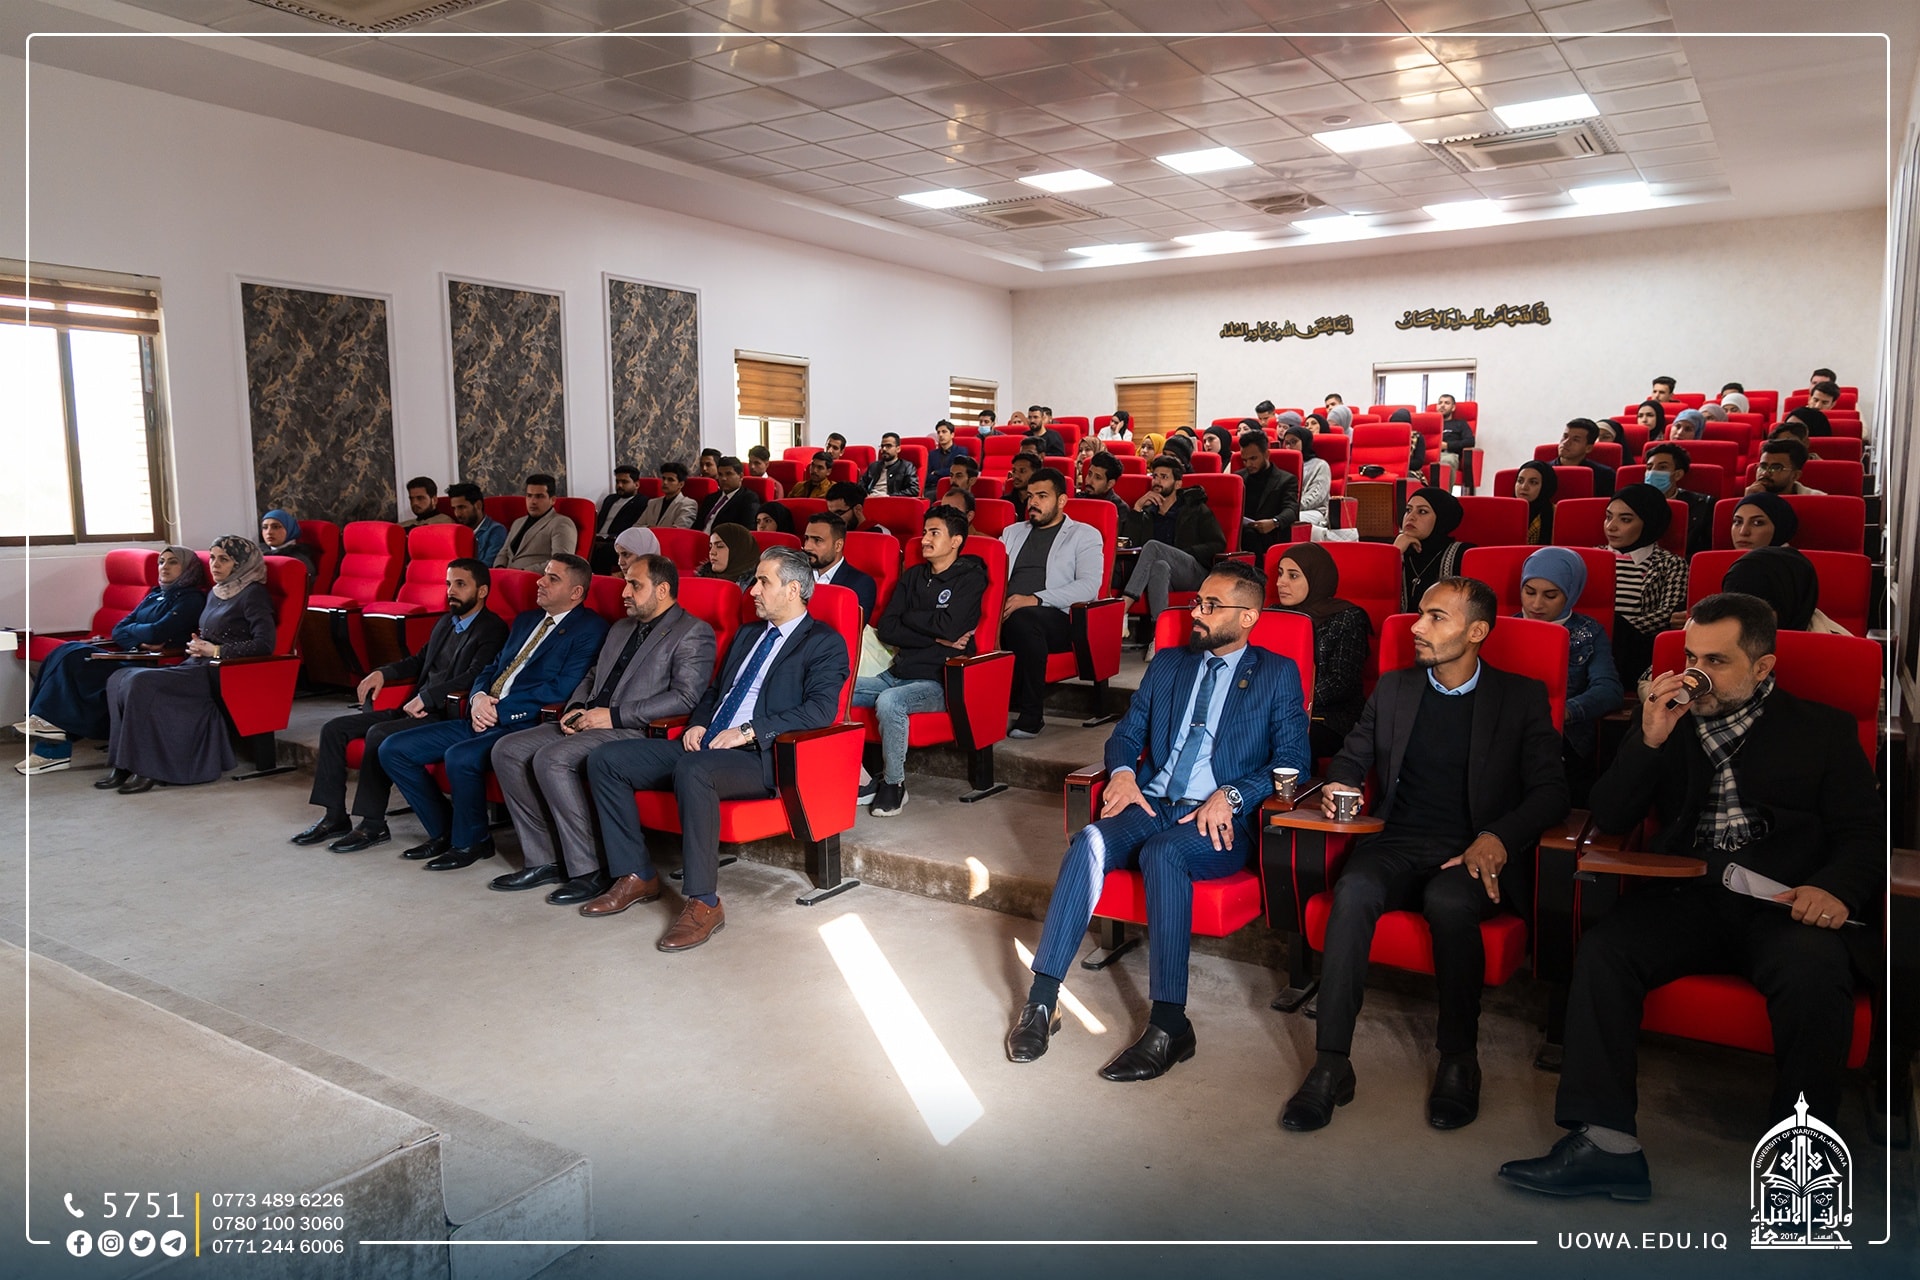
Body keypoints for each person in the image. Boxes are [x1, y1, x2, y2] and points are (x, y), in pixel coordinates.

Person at [1500, 593, 1877, 1201]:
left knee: (1815, 975)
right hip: (1690, 893)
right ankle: (1607, 1146)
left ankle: (1801, 1169)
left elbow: (1863, 832)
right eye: (1692, 657)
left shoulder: (1823, 729)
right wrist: (1648, 741)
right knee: (1606, 952)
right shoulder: (1668, 718)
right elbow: (1611, 814)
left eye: (1717, 661)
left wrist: (1835, 889)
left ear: (1762, 666)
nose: (1697, 673)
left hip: (1785, 905)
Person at [1283, 578, 1569, 1133]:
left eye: (1437, 617)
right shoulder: (1395, 688)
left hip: (1470, 849)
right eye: (1420, 614)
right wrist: (1342, 784)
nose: (1416, 627)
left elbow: (1552, 792)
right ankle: (1331, 1063)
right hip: (1395, 840)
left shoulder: (1520, 696)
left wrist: (1499, 837)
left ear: (1477, 631)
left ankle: (1459, 1059)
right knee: (1354, 890)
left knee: (1449, 902)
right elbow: (1351, 756)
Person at [1006, 561, 1309, 1080]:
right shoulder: (1170, 663)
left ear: (1248, 617)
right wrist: (1124, 774)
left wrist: (1233, 795)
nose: (1196, 613)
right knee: (1089, 841)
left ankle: (1170, 1026)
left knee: (1164, 853)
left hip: (1215, 822)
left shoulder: (1276, 673)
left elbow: (1294, 761)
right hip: (1151, 803)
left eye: (1210, 606)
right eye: (1197, 603)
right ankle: (1042, 1001)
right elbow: (1127, 734)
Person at [580, 547, 849, 949]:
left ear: (793, 590)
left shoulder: (824, 642)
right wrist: (699, 722)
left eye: (763, 582)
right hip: (709, 743)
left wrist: (749, 731)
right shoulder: (749, 634)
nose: (753, 590)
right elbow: (715, 691)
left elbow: (820, 711)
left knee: (695, 771)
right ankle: (636, 874)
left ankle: (704, 902)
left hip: (761, 755)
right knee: (605, 760)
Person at [487, 553, 715, 903]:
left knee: (552, 758)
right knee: (507, 750)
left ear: (662, 590)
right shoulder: (621, 627)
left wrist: (612, 716)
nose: (624, 592)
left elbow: (685, 698)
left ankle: (588, 869)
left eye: (635, 585)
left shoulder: (693, 632)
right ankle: (544, 859)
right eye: (625, 583)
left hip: (633, 730)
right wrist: (576, 707)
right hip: (590, 719)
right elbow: (592, 675)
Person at [379, 555, 607, 870]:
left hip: (523, 724)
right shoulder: (527, 620)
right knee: (393, 749)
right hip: (482, 712)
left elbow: (561, 689)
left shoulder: (590, 628)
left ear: (576, 592)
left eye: (552, 578)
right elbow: (491, 667)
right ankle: (446, 831)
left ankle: (471, 842)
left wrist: (501, 712)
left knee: (459, 756)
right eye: (544, 574)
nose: (540, 582)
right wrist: (478, 698)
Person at [290, 558, 509, 852]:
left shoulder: (493, 629)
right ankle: (334, 817)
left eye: (460, 584)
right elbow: (418, 661)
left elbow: (475, 676)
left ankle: (372, 824)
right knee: (334, 729)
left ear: (482, 591)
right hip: (412, 708)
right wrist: (383, 673)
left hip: (443, 714)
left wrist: (428, 698)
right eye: (448, 584)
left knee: (378, 733)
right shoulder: (446, 622)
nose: (451, 591)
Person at [96, 536, 278, 794]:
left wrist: (216, 650)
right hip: (197, 663)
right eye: (212, 558)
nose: (214, 564)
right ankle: (122, 764)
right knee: (118, 678)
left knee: (140, 681)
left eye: (224, 559)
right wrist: (198, 644)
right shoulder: (217, 591)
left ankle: (146, 768)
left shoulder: (253, 594)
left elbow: (264, 644)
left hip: (221, 672)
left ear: (241, 563)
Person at [15, 547, 208, 776]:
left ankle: (51, 746)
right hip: (132, 653)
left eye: (173, 562)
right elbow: (119, 629)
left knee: (72, 659)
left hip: (151, 664)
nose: (164, 567)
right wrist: (141, 640)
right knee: (65, 651)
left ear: (188, 568)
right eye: (161, 562)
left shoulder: (191, 599)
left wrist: (137, 633)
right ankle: (47, 731)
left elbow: (156, 632)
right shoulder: (155, 593)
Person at [855, 507, 985, 816]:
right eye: (925, 532)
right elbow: (888, 628)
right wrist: (934, 634)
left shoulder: (971, 578)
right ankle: (860, 777)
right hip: (897, 672)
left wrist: (911, 620)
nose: (924, 539)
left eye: (934, 533)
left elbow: (951, 629)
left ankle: (894, 784)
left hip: (937, 681)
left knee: (890, 702)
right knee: (836, 689)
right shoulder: (914, 575)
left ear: (956, 541)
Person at [1000, 467, 1103, 739]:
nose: (1032, 502)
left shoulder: (1084, 534)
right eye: (1030, 496)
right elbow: (993, 575)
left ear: (1061, 501)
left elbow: (1089, 587)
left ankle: (1032, 715)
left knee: (1024, 619)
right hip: (1005, 612)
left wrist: (1035, 599)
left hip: (1060, 617)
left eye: (1042, 496)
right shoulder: (1012, 532)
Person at [1517, 548, 1621, 804]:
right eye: (1529, 592)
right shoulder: (1504, 627)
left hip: (1564, 738)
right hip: (1508, 734)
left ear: (1571, 593)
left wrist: (1563, 711)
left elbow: (1609, 690)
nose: (1536, 604)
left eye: (1550, 595)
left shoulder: (1590, 633)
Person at [1270, 543, 1367, 760]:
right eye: (1280, 573)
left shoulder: (1348, 617)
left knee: (1285, 737)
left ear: (1317, 578)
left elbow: (1340, 682)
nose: (1280, 582)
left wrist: (1288, 701)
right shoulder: (1275, 613)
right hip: (1276, 709)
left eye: (1293, 576)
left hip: (1328, 716)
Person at [1120, 455, 1225, 634]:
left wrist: (1184, 552)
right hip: (1167, 574)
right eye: (1155, 476)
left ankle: (1123, 607)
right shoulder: (1148, 512)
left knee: (1153, 546)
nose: (1157, 481)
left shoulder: (1195, 509)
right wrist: (1137, 508)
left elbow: (1218, 543)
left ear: (1178, 484)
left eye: (1164, 477)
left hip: (1193, 570)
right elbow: (1131, 544)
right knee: (1159, 566)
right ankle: (1160, 635)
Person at [1602, 484, 1686, 685]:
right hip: (1589, 640)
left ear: (1648, 522)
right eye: (1608, 516)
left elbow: (1667, 613)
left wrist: (1617, 628)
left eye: (1625, 520)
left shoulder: (1671, 563)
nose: (1611, 526)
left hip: (1636, 647)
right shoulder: (1590, 556)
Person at [1722, 547, 1849, 635]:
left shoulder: (1840, 651)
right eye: (1732, 607)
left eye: (1756, 608)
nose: (1741, 619)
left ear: (1788, 604)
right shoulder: (1716, 635)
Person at [1395, 486, 1470, 612]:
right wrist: (1395, 553)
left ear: (1441, 518)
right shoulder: (1398, 548)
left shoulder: (1462, 554)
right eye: (1408, 510)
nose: (1410, 517)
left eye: (1422, 511)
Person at [1238, 429, 1300, 562]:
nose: (1248, 464)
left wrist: (1274, 522)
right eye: (1244, 460)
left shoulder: (1286, 480)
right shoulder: (1238, 478)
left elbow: (1291, 510)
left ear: (1266, 454)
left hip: (1270, 533)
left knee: (1249, 536)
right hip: (1241, 530)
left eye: (1253, 458)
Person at [802, 512, 877, 622]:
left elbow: (850, 627)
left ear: (838, 545)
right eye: (806, 538)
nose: (807, 547)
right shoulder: (795, 575)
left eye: (817, 540)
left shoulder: (860, 583)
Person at [495, 474, 579, 572]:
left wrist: (523, 573)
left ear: (552, 500)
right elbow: (503, 553)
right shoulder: (518, 522)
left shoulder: (561, 523)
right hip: (505, 576)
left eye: (539, 496)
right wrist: (499, 569)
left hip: (534, 578)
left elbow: (560, 562)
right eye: (529, 496)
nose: (533, 501)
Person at [1642, 443, 1714, 554]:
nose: (1652, 473)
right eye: (1649, 467)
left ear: (1677, 475)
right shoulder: (1630, 501)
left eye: (1662, 467)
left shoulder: (1702, 505)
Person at [590, 464, 647, 572]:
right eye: (617, 482)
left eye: (624, 482)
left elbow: (634, 527)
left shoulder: (642, 502)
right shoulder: (610, 499)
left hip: (618, 541)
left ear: (636, 484)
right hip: (598, 538)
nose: (619, 485)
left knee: (604, 552)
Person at [1283, 425, 1331, 528]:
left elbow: (1316, 497)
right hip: (1287, 510)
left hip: (1314, 511)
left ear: (1304, 442)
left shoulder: (1320, 465)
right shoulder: (1283, 465)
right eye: (1287, 443)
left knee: (1286, 520)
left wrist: (1289, 509)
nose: (1289, 447)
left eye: (1294, 442)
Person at [697, 456, 761, 533]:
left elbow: (747, 531)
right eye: (720, 474)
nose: (723, 478)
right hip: (699, 537)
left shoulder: (748, 499)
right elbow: (697, 525)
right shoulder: (710, 498)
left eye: (728, 474)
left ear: (740, 476)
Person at [449, 482, 507, 566]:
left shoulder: (496, 531)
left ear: (478, 505)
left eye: (461, 507)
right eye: (454, 508)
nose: (457, 514)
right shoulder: (457, 532)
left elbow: (487, 566)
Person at [260, 508, 320, 584]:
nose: (269, 532)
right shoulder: (258, 553)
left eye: (276, 527)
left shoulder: (299, 559)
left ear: (289, 529)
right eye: (265, 527)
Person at [1557, 419, 1615, 496]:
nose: (1565, 443)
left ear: (1588, 448)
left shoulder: (1605, 475)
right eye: (1565, 436)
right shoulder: (1544, 471)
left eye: (1575, 440)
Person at [1748, 438, 1824, 496]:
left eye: (1776, 468)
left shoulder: (1817, 500)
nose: (1765, 473)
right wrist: (1748, 501)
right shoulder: (1751, 494)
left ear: (1795, 475)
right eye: (1763, 466)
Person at [633, 462, 696, 529]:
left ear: (681, 484)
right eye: (663, 478)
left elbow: (678, 530)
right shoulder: (652, 503)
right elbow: (636, 527)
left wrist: (650, 529)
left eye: (670, 480)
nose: (665, 482)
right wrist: (650, 528)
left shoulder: (688, 504)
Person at [1729, 492, 1798, 551]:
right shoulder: (1724, 559)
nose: (1743, 532)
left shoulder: (1793, 562)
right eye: (1737, 522)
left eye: (1757, 523)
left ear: (1780, 528)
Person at [1512, 460, 1558, 546]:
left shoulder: (1557, 514)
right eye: (1520, 481)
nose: (1524, 487)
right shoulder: (1503, 511)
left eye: (1533, 482)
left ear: (1545, 487)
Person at [861, 431, 919, 497]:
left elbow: (914, 490)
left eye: (888, 446)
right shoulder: (873, 466)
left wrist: (889, 496)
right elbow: (861, 486)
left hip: (890, 500)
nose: (884, 449)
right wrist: (865, 495)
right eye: (882, 446)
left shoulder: (906, 466)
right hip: (869, 499)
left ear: (898, 449)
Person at [700, 523, 759, 587]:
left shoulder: (757, 584)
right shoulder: (703, 578)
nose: (711, 552)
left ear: (739, 550)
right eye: (710, 546)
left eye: (720, 546)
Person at [1077, 451, 1128, 516]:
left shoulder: (1120, 510)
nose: (1089, 481)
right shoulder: (1078, 499)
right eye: (1089, 474)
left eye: (1098, 478)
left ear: (1110, 484)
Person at [926, 420, 970, 486]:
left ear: (952, 435)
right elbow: (927, 476)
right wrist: (943, 476)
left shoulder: (961, 451)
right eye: (938, 432)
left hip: (954, 487)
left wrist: (937, 472)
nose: (940, 435)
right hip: (933, 487)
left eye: (944, 432)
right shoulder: (932, 454)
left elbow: (957, 471)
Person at [1437, 395, 1474, 473]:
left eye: (1447, 403)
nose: (1442, 405)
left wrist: (1447, 445)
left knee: (1445, 462)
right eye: (1440, 403)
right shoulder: (1430, 424)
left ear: (1453, 407)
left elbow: (1470, 441)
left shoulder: (1460, 424)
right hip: (1430, 455)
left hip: (1449, 454)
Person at [1005, 453, 1038, 520]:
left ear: (1035, 474)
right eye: (1014, 471)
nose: (1016, 476)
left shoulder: (1041, 503)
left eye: (1022, 471)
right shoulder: (1005, 502)